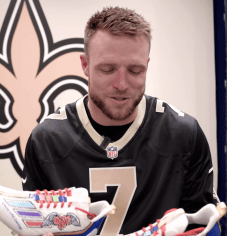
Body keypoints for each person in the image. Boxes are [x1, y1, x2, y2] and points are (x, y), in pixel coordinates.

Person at [22, 6, 215, 235]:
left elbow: (202, 224)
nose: (121, 84)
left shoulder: (184, 135)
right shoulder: (47, 140)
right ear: (85, 65)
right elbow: (33, 228)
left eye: (135, 70)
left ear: (147, 65)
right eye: (108, 69)